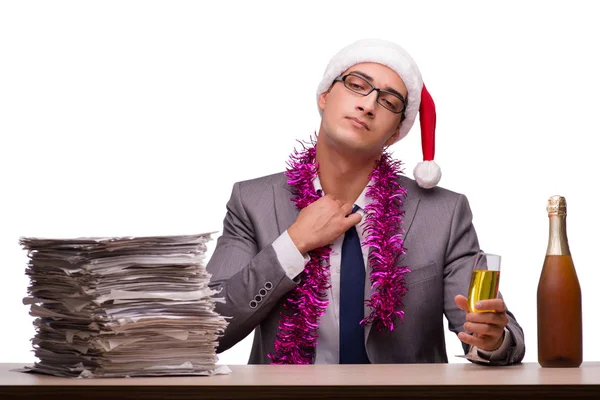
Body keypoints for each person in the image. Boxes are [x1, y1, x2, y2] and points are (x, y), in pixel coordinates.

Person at [206, 39, 525, 365]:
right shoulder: (252, 202)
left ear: (395, 132)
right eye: (357, 85)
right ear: (324, 96)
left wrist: (493, 339)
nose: (369, 104)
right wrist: (294, 242)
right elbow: (208, 329)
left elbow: (493, 332)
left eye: (388, 101)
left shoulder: (443, 213)